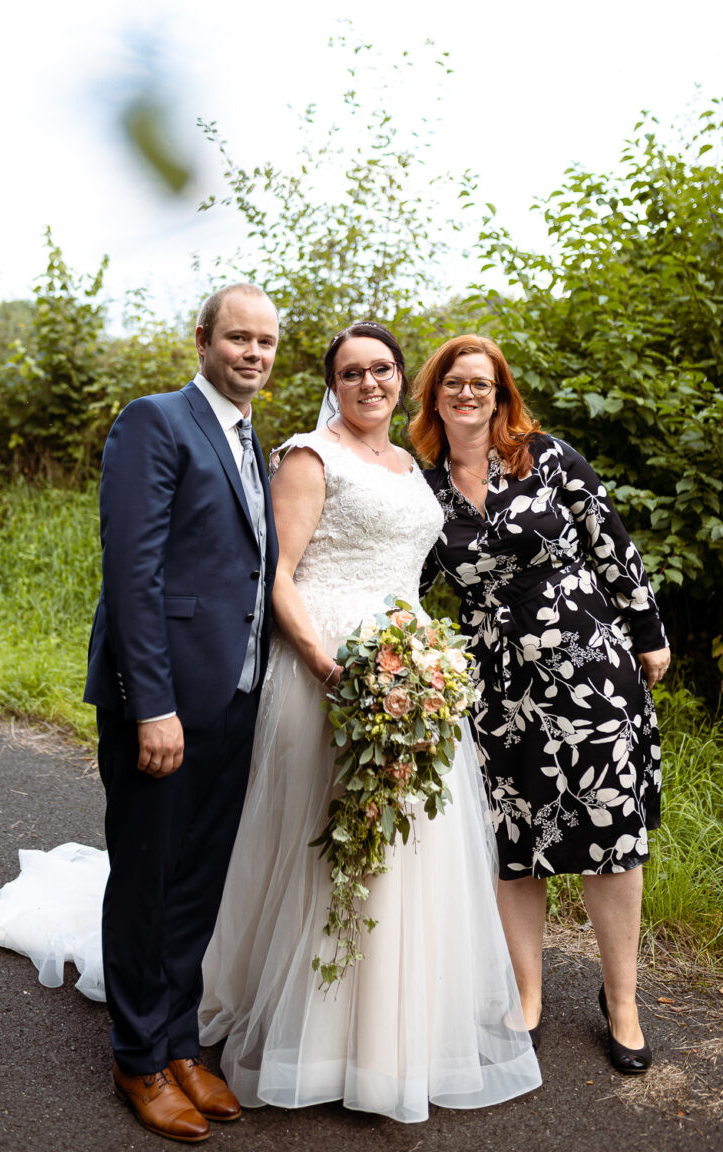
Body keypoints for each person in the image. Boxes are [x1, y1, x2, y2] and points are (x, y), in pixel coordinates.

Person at [195, 322, 541, 1122]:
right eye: (352, 373)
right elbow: (275, 576)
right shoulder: (309, 457)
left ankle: (394, 1035)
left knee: (409, 845)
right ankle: (312, 1033)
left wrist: (419, 665)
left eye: (382, 369)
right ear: (332, 383)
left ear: (398, 378)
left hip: (408, 667)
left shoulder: (408, 468)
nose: (370, 384)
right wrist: (326, 664)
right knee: (329, 839)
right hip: (329, 666)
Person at [410, 333, 670, 1075]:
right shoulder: (422, 488)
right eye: (455, 382)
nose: (469, 394)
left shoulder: (546, 456)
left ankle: (620, 1001)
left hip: (589, 666)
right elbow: (405, 578)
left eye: (483, 384)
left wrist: (647, 630)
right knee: (514, 840)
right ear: (434, 396)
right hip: (494, 687)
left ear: (501, 394)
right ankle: (527, 993)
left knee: (610, 831)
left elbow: (609, 539)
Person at [83, 283, 280, 1141]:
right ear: (202, 338)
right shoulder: (155, 421)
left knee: (199, 881)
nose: (254, 354)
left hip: (235, 697)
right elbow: (133, 577)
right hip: (164, 706)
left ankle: (179, 1043)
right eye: (238, 337)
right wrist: (149, 707)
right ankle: (136, 1058)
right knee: (147, 879)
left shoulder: (251, 438)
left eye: (267, 342)